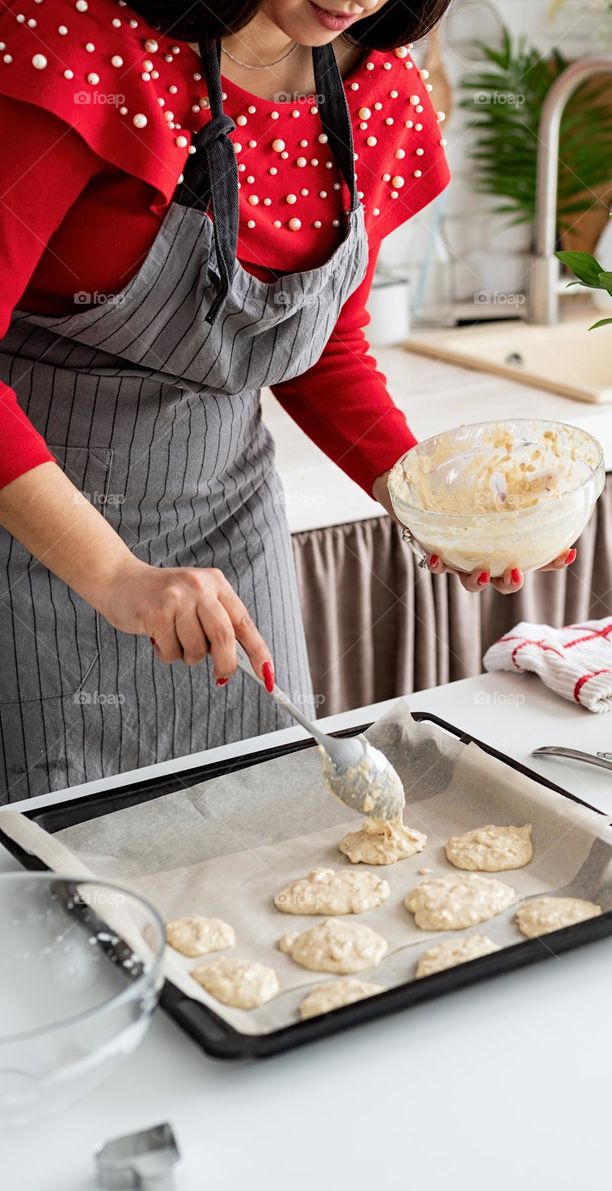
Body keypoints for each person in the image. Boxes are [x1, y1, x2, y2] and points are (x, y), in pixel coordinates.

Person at [0, 0, 576, 803]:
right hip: (33, 544)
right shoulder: (87, 47)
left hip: (233, 534)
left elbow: (319, 349)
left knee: (261, 819)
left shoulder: (383, 91)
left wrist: (433, 504)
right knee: (61, 862)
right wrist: (119, 577)